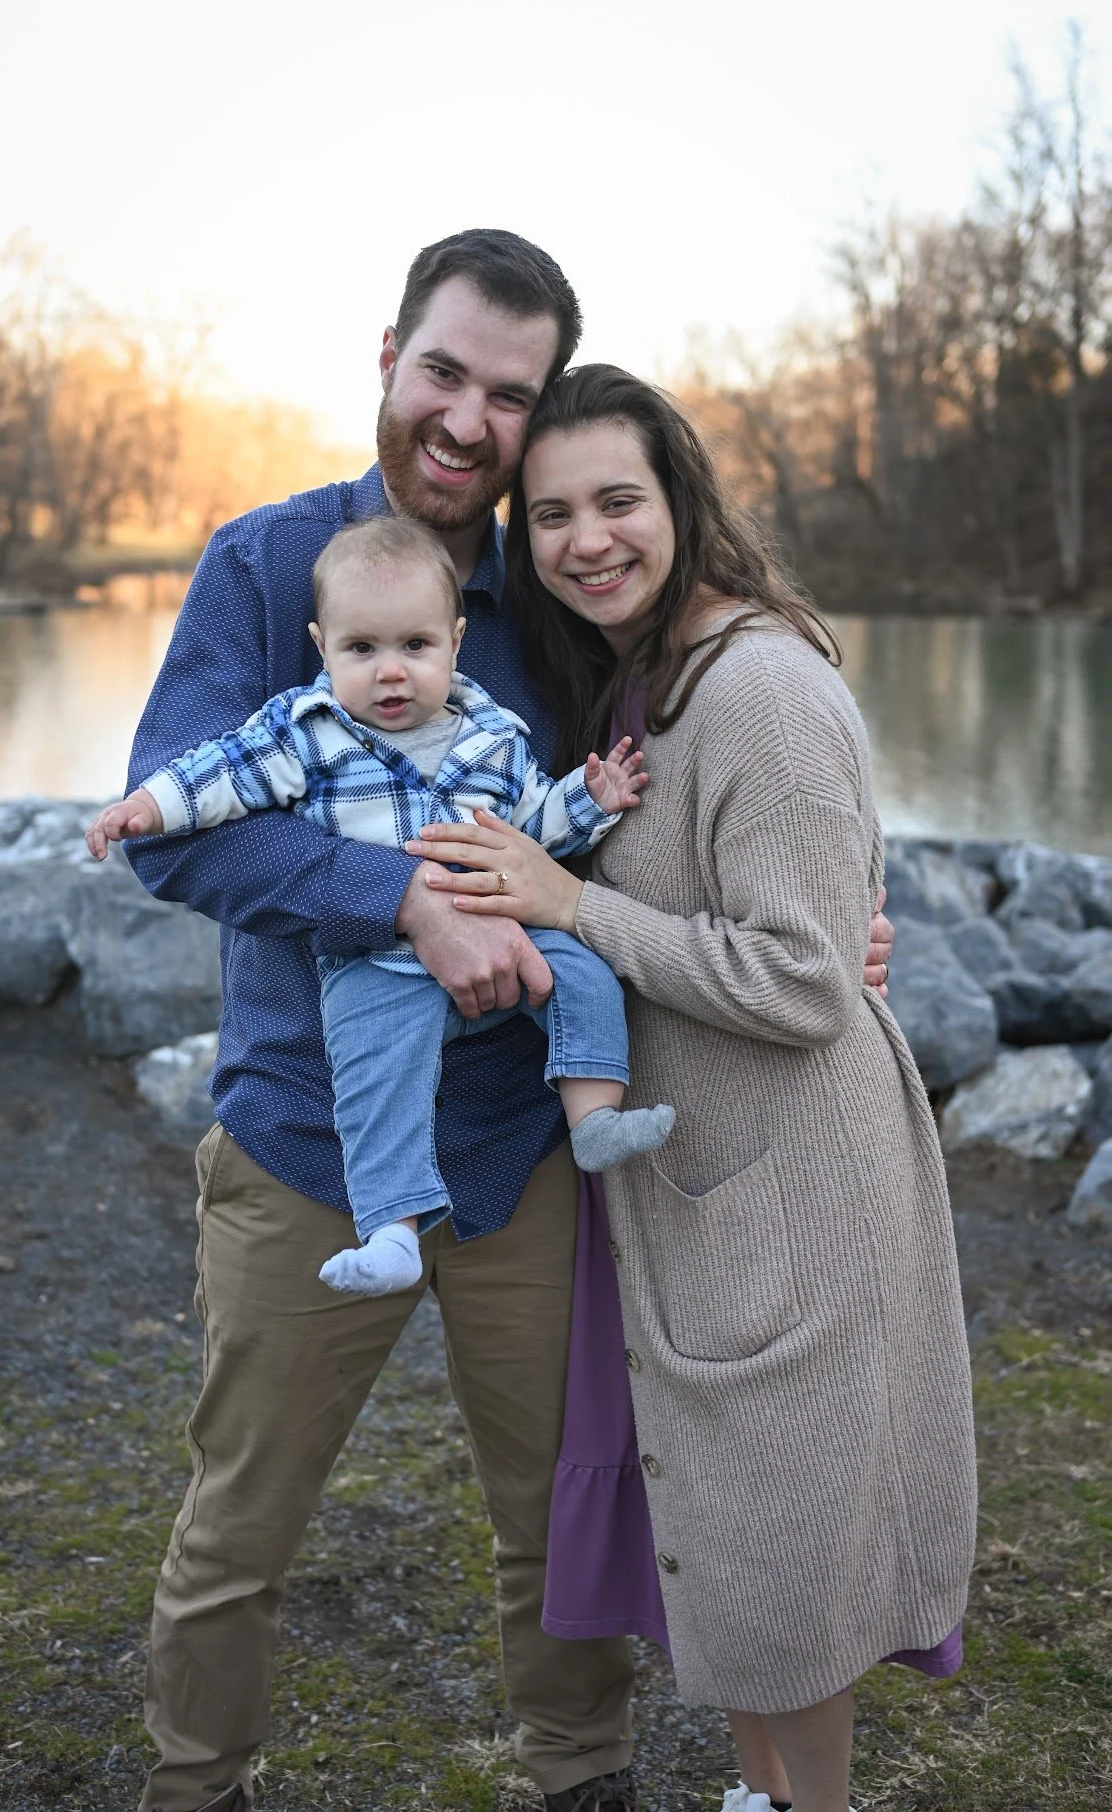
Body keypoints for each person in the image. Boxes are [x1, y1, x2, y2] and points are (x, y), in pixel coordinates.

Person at [123, 228, 895, 1812]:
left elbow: (655, 801)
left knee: (562, 1508)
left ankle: (579, 1777)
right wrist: (399, 902)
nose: (466, 420)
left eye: (509, 396)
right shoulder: (267, 569)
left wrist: (836, 921)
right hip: (308, 1136)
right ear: (388, 358)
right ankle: (194, 1785)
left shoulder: (547, 590)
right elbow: (172, 830)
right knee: (238, 1524)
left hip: (522, 1141)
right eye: (444, 372)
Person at [407, 364, 978, 1812]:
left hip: (791, 1186)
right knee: (717, 1538)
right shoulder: (649, 678)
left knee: (784, 1564)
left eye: (618, 501)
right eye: (550, 514)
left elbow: (802, 982)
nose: (585, 539)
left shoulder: (761, 690)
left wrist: (569, 904)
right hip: (697, 1181)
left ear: (681, 499)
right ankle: (758, 1795)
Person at [87, 516, 674, 1298]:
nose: (391, 672)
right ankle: (391, 1230)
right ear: (322, 647)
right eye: (361, 649)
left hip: (508, 936)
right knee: (375, 1076)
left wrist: (590, 800)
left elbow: (537, 824)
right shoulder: (307, 734)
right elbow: (219, 775)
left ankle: (593, 1118)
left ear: (455, 643)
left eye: (415, 646)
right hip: (377, 962)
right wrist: (147, 807)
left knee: (585, 975)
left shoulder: (495, 737)